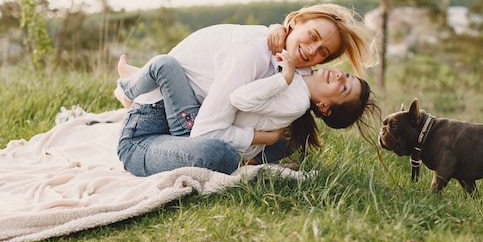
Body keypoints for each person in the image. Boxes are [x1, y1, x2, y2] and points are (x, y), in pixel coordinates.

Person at [116, 3, 375, 177]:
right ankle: (131, 90)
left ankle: (135, 83)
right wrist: (262, 138)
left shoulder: (298, 68)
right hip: (148, 131)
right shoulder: (252, 54)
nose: (312, 50)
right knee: (220, 155)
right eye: (313, 36)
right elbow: (205, 133)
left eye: (323, 52)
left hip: (189, 113)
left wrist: (278, 29)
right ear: (295, 23)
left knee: (288, 139)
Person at [116, 47, 375, 164]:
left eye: (343, 89)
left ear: (324, 107)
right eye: (348, 76)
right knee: (166, 67)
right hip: (198, 123)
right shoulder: (300, 73)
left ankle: (127, 87)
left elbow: (239, 98)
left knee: (164, 65)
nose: (341, 76)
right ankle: (134, 83)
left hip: (194, 130)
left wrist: (282, 79)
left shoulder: (295, 95)